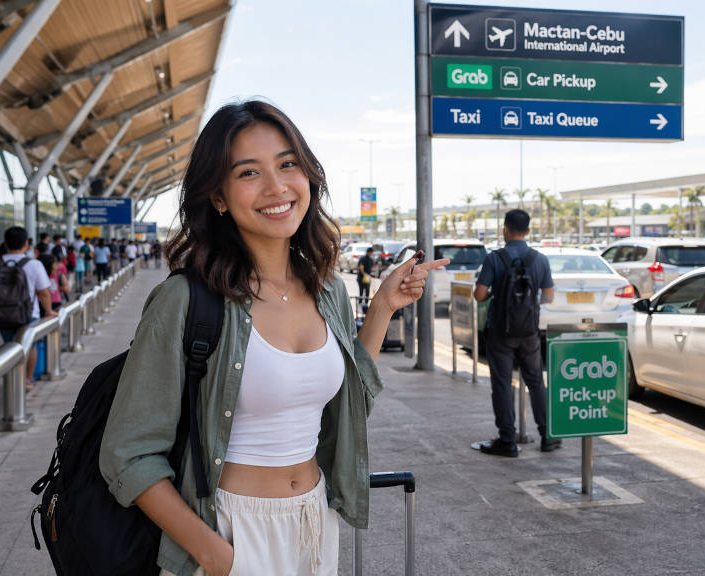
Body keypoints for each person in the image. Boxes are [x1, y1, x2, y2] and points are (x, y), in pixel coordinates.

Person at [98, 100, 446, 576]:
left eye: (287, 164)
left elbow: (347, 406)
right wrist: (214, 554)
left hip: (314, 521)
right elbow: (128, 453)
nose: (276, 186)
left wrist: (382, 307)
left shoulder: (328, 291)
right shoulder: (184, 301)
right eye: (248, 173)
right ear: (218, 197)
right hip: (228, 532)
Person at [472, 209, 558, 456]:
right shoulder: (540, 259)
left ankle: (507, 441)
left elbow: (479, 295)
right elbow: (549, 296)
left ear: (505, 229)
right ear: (528, 231)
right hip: (529, 331)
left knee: (501, 384)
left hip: (500, 331)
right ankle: (547, 435)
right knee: (536, 383)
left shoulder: (495, 258)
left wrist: (496, 295)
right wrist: (526, 305)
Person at [0, 227, 56, 389]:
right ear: (26, 244)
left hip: (1, 314)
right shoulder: (34, 264)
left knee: (9, 347)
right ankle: (26, 380)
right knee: (30, 346)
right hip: (28, 314)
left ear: (5, 243)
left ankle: (12, 380)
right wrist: (49, 311)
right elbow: (44, 293)